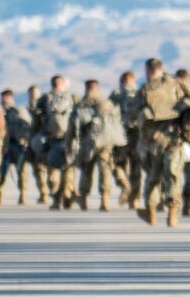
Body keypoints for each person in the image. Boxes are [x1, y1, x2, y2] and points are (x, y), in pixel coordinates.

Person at [135, 57, 190, 226]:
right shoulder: (176, 84)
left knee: (153, 178)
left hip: (153, 142)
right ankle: (173, 214)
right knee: (173, 176)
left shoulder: (144, 89)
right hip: (175, 139)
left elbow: (131, 115)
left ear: (148, 71)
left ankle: (151, 213)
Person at [72, 78, 126, 211]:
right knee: (105, 169)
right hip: (106, 143)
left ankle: (83, 199)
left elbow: (73, 127)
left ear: (86, 89)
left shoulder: (81, 105)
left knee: (86, 172)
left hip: (88, 144)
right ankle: (105, 201)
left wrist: (69, 145)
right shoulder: (107, 103)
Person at [36, 76, 79, 210]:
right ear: (64, 85)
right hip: (68, 140)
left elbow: (36, 120)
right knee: (68, 171)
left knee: (53, 172)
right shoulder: (73, 98)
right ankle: (65, 197)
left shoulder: (44, 99)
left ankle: (58, 199)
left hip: (53, 140)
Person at [108, 70, 143, 207]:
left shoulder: (116, 95)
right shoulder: (141, 94)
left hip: (120, 134)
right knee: (136, 167)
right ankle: (135, 199)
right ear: (133, 81)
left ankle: (123, 182)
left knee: (117, 163)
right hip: (137, 134)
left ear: (121, 82)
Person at [0, 89, 34, 204]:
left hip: (17, 144)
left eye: (7, 96)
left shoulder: (18, 110)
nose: (5, 99)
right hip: (2, 145)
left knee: (21, 170)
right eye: (3, 96)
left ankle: (22, 193)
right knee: (1, 170)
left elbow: (26, 126)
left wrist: (24, 140)